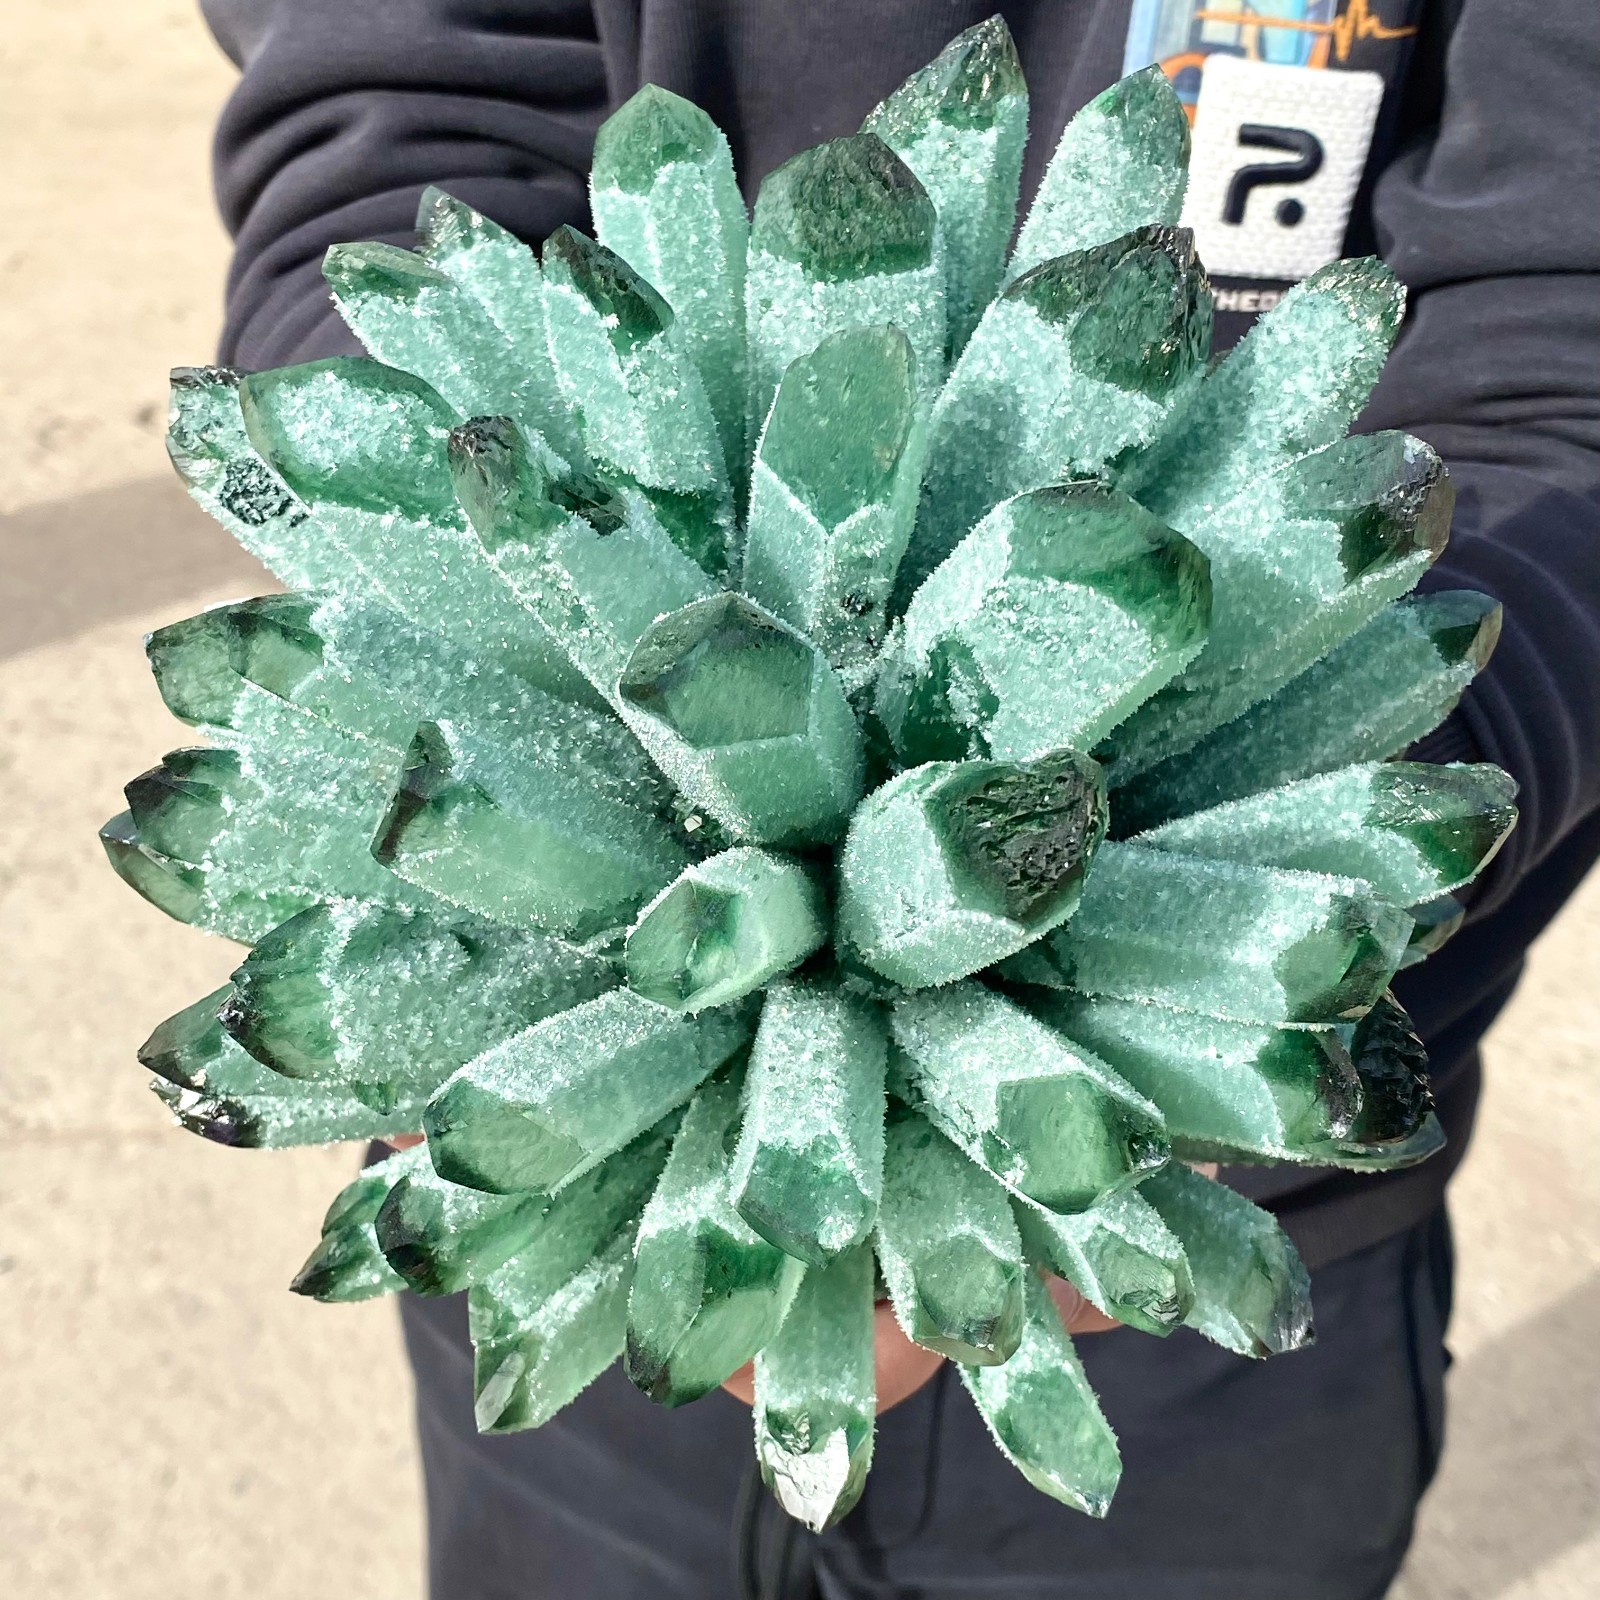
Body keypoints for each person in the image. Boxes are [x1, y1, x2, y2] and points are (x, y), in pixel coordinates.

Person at [197, 3, 1600, 1595]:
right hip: (580, 1195)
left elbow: (1564, 372)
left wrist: (1282, 908)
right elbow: (402, 130)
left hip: (1199, 1165)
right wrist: (454, 601)